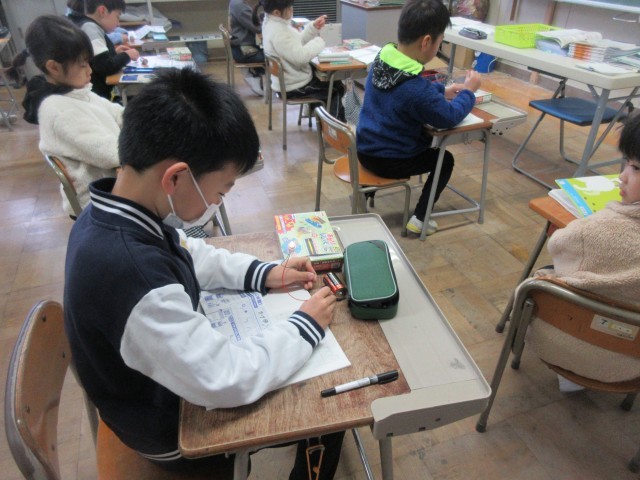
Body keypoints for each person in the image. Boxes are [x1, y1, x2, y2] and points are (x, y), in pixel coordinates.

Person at [64, 68, 344, 478]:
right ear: (176, 178)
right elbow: (225, 378)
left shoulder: (115, 211)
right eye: (222, 190)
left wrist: (265, 273)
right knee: (330, 409)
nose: (218, 201)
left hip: (156, 391)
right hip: (170, 427)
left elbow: (190, 252)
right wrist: (305, 325)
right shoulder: (133, 275)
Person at [526, 112, 640, 391]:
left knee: (548, 275)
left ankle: (570, 379)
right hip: (630, 367)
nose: (622, 177)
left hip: (558, 344)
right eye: (626, 163)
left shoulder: (594, 230)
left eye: (636, 168)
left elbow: (558, 246)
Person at [356, 0, 481, 236]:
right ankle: (419, 219)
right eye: (440, 42)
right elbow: (448, 116)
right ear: (426, 42)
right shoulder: (415, 89)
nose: (439, 47)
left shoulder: (384, 58)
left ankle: (367, 191)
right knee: (444, 160)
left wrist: (442, 91)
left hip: (364, 150)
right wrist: (468, 92)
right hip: (390, 160)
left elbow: (407, 91)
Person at [8, 15, 122, 218]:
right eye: (83, 65)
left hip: (113, 184)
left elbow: (116, 112)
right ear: (54, 67)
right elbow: (111, 153)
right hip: (97, 202)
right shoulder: (58, 111)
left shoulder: (78, 92)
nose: (90, 70)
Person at [261, 0, 344, 119]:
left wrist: (312, 28)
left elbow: (294, 45)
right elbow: (300, 57)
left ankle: (320, 117)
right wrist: (319, 42)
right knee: (336, 87)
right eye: (289, 8)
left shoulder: (271, 24)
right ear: (276, 12)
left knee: (328, 81)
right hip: (295, 87)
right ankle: (333, 127)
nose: (292, 10)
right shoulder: (280, 32)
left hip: (288, 82)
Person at [66, 0, 140, 100]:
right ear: (102, 11)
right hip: (95, 94)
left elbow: (95, 59)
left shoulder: (82, 23)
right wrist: (127, 55)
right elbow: (105, 67)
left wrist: (114, 53)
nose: (118, 24)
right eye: (117, 16)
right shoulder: (90, 28)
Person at [229, 0, 265, 96]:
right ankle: (253, 76)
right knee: (273, 57)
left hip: (238, 47)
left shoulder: (234, 2)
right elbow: (256, 27)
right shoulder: (240, 5)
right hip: (243, 50)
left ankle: (253, 75)